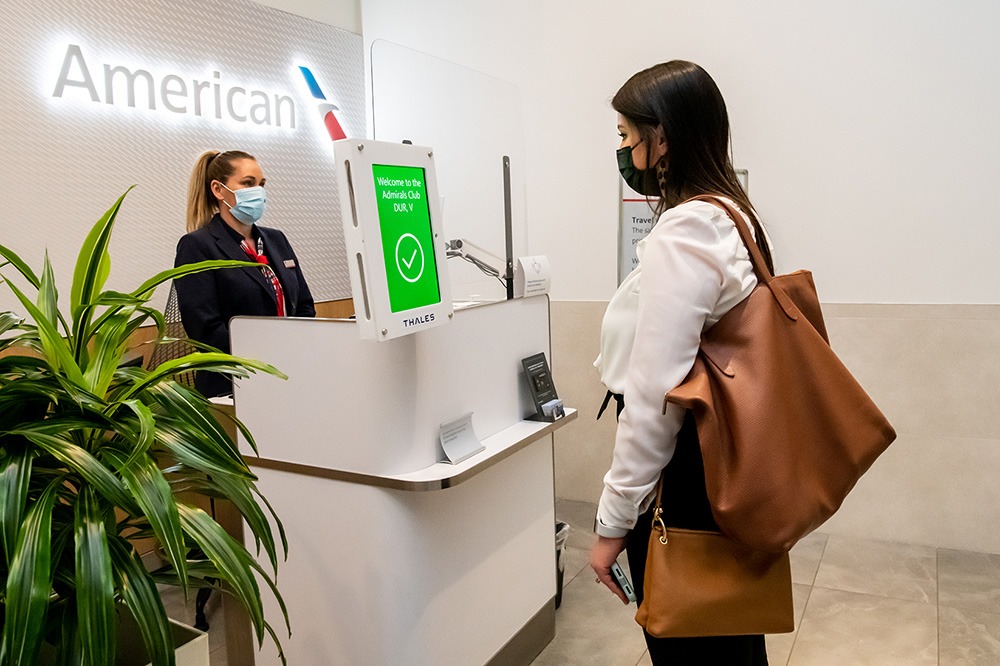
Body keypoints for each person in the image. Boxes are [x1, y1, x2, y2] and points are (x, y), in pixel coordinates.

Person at [589, 61, 775, 664]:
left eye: (624, 136)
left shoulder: (687, 231)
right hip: (715, 470)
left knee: (692, 644)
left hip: (683, 482)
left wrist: (613, 522)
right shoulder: (728, 215)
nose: (620, 149)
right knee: (729, 635)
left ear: (661, 138)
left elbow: (653, 398)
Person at [174, 150, 315, 398]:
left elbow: (304, 305)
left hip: (289, 375)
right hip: (233, 385)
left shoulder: (276, 239)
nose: (258, 192)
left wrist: (295, 354)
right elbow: (205, 330)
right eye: (248, 183)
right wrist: (268, 358)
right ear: (218, 190)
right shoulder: (197, 246)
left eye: (261, 184)